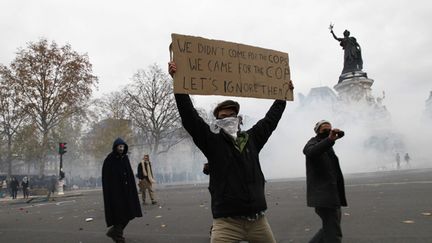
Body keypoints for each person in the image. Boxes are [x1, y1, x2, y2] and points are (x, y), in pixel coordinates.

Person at [168, 62, 292, 243]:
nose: (228, 120)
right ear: (217, 122)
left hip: (258, 221)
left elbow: (270, 121)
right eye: (223, 117)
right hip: (227, 224)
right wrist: (178, 84)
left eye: (232, 116)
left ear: (239, 120)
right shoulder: (212, 143)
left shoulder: (252, 139)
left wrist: (283, 96)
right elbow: (190, 117)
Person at [303, 120, 347, 243]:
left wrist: (330, 140)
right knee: (334, 234)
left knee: (329, 228)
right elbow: (311, 151)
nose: (328, 132)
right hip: (323, 197)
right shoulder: (313, 142)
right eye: (325, 130)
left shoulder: (328, 146)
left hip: (332, 196)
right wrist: (329, 139)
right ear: (317, 131)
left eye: (330, 130)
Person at [102, 138, 142, 243]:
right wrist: (111, 192)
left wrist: (133, 189)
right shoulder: (109, 159)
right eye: (120, 146)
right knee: (120, 215)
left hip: (127, 192)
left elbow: (129, 175)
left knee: (130, 213)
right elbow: (107, 178)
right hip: (116, 194)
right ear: (115, 147)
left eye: (123, 146)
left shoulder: (125, 158)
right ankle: (118, 236)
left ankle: (114, 232)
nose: (121, 148)